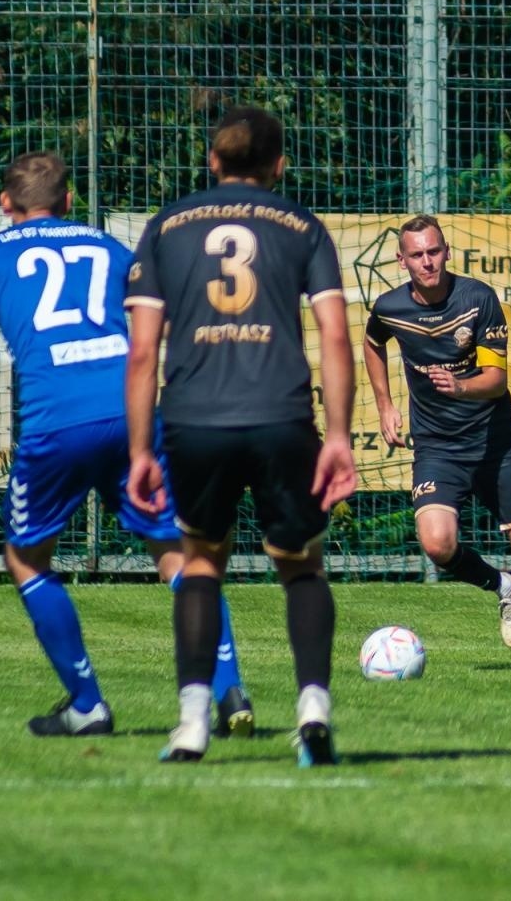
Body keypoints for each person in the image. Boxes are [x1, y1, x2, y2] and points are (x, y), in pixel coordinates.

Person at [0, 150, 252, 739]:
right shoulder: (111, 249)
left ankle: (87, 705)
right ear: (69, 200)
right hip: (131, 415)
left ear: (5, 203)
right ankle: (227, 684)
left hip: (54, 420)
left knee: (27, 558)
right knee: (180, 554)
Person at [125, 106, 357, 765]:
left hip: (195, 420)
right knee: (299, 563)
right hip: (282, 415)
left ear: (213, 162)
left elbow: (142, 354)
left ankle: (193, 723)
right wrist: (337, 435)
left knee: (200, 561)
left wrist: (142, 450)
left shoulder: (166, 227)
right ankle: (313, 706)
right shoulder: (301, 226)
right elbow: (335, 336)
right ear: (280, 166)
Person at [362, 216, 511, 671]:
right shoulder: (389, 307)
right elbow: (372, 341)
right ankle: (503, 588)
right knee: (437, 544)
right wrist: (384, 404)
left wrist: (460, 387)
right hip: (438, 447)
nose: (428, 262)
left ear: (446, 251)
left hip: (495, 442)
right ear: (402, 260)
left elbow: (497, 382)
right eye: (417, 254)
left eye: (434, 251)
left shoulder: (477, 298)